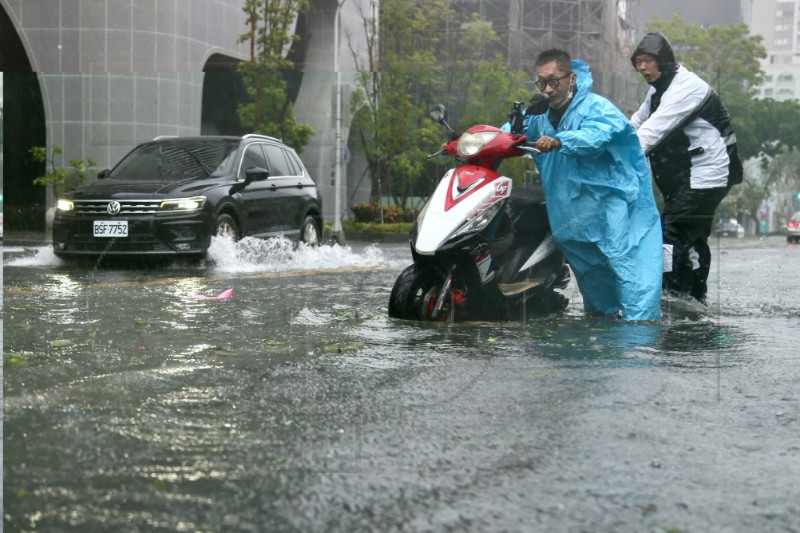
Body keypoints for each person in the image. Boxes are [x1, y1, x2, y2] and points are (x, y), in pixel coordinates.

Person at [516, 48, 663, 321]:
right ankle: (604, 325)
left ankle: (640, 337)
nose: (548, 89)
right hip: (572, 218)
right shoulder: (537, 115)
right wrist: (470, 141)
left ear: (571, 78)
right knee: (593, 277)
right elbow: (509, 133)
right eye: (542, 83)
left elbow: (595, 136)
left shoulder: (596, 107)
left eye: (554, 81)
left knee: (628, 268)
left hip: (611, 207)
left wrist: (562, 141)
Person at [630, 32, 743, 304]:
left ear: (664, 61)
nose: (642, 67)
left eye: (648, 61)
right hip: (686, 177)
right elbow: (634, 125)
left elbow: (650, 134)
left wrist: (612, 157)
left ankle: (671, 296)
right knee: (692, 237)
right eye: (638, 62)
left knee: (670, 234)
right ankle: (695, 297)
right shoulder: (659, 90)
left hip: (707, 175)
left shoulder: (687, 88)